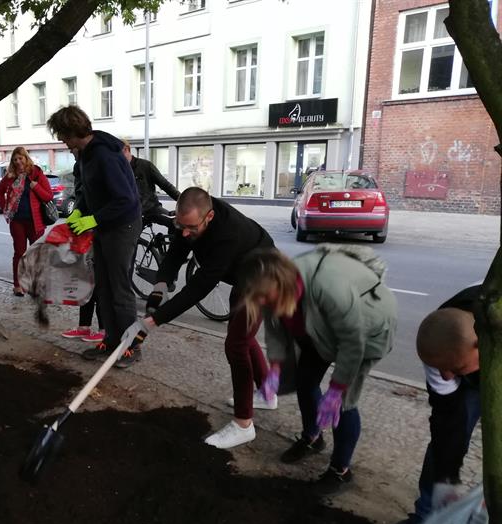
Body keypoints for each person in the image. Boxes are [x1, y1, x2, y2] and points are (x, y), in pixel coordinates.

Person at [121, 187, 275, 447]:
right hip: (242, 273)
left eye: (191, 227)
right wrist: (160, 285)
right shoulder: (187, 222)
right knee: (243, 337)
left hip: (263, 273)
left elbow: (198, 288)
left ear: (209, 217)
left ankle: (243, 425)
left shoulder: (227, 233)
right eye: (180, 225)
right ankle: (268, 394)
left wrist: (149, 322)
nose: (185, 232)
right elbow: (175, 252)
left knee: (236, 345)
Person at [236, 246, 397, 493]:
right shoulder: (269, 289)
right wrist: (275, 367)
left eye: (264, 298)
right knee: (305, 380)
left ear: (282, 283)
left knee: (344, 403)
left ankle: (340, 471)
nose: (261, 303)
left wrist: (336, 389)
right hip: (318, 330)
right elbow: (275, 329)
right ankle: (312, 438)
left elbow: (352, 343)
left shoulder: (328, 287)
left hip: (365, 331)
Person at [47, 105, 141, 368]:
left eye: (62, 135)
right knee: (103, 286)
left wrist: (94, 219)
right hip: (105, 225)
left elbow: (125, 199)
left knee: (119, 288)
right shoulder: (86, 155)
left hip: (122, 226)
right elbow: (89, 191)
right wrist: (79, 211)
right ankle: (111, 341)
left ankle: (130, 347)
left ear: (73, 131)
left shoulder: (104, 155)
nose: (62, 141)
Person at [392, 286, 481, 524]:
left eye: (455, 368)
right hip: (473, 364)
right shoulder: (441, 338)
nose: (446, 376)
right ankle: (429, 516)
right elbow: (446, 419)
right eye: (441, 369)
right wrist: (446, 486)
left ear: (480, 346)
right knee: (446, 440)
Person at [0, 146, 54, 296]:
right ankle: (18, 285)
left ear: (26, 158)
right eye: (15, 159)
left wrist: (36, 187)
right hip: (17, 222)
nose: (18, 162)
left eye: (20, 158)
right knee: (19, 254)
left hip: (35, 222)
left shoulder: (36, 173)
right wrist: (4, 207)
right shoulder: (10, 176)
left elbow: (48, 196)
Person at [61, 152, 104, 343]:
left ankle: (105, 328)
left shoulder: (103, 163)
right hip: (85, 229)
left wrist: (96, 219)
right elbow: (81, 193)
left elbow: (119, 201)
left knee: (101, 282)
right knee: (86, 278)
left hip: (104, 230)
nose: (71, 150)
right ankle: (84, 326)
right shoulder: (80, 165)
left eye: (72, 146)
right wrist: (78, 210)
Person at [122, 141, 179, 230]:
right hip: (130, 213)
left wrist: (184, 201)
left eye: (116, 153)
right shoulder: (117, 170)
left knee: (174, 224)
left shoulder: (145, 166)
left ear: (126, 150)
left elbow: (165, 185)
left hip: (151, 208)